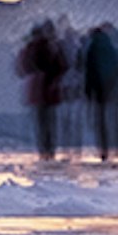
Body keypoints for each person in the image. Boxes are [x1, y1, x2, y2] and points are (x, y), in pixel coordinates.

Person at [16, 17, 76, 162]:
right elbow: (64, 66)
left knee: (41, 122)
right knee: (50, 122)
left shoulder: (30, 48)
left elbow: (22, 69)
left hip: (36, 91)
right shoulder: (53, 47)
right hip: (51, 91)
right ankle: (50, 150)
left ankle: (44, 151)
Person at [78, 20, 118, 162]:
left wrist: (87, 90)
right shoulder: (111, 47)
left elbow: (90, 72)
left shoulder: (92, 49)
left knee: (100, 120)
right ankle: (116, 148)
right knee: (114, 118)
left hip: (98, 89)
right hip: (113, 87)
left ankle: (103, 150)